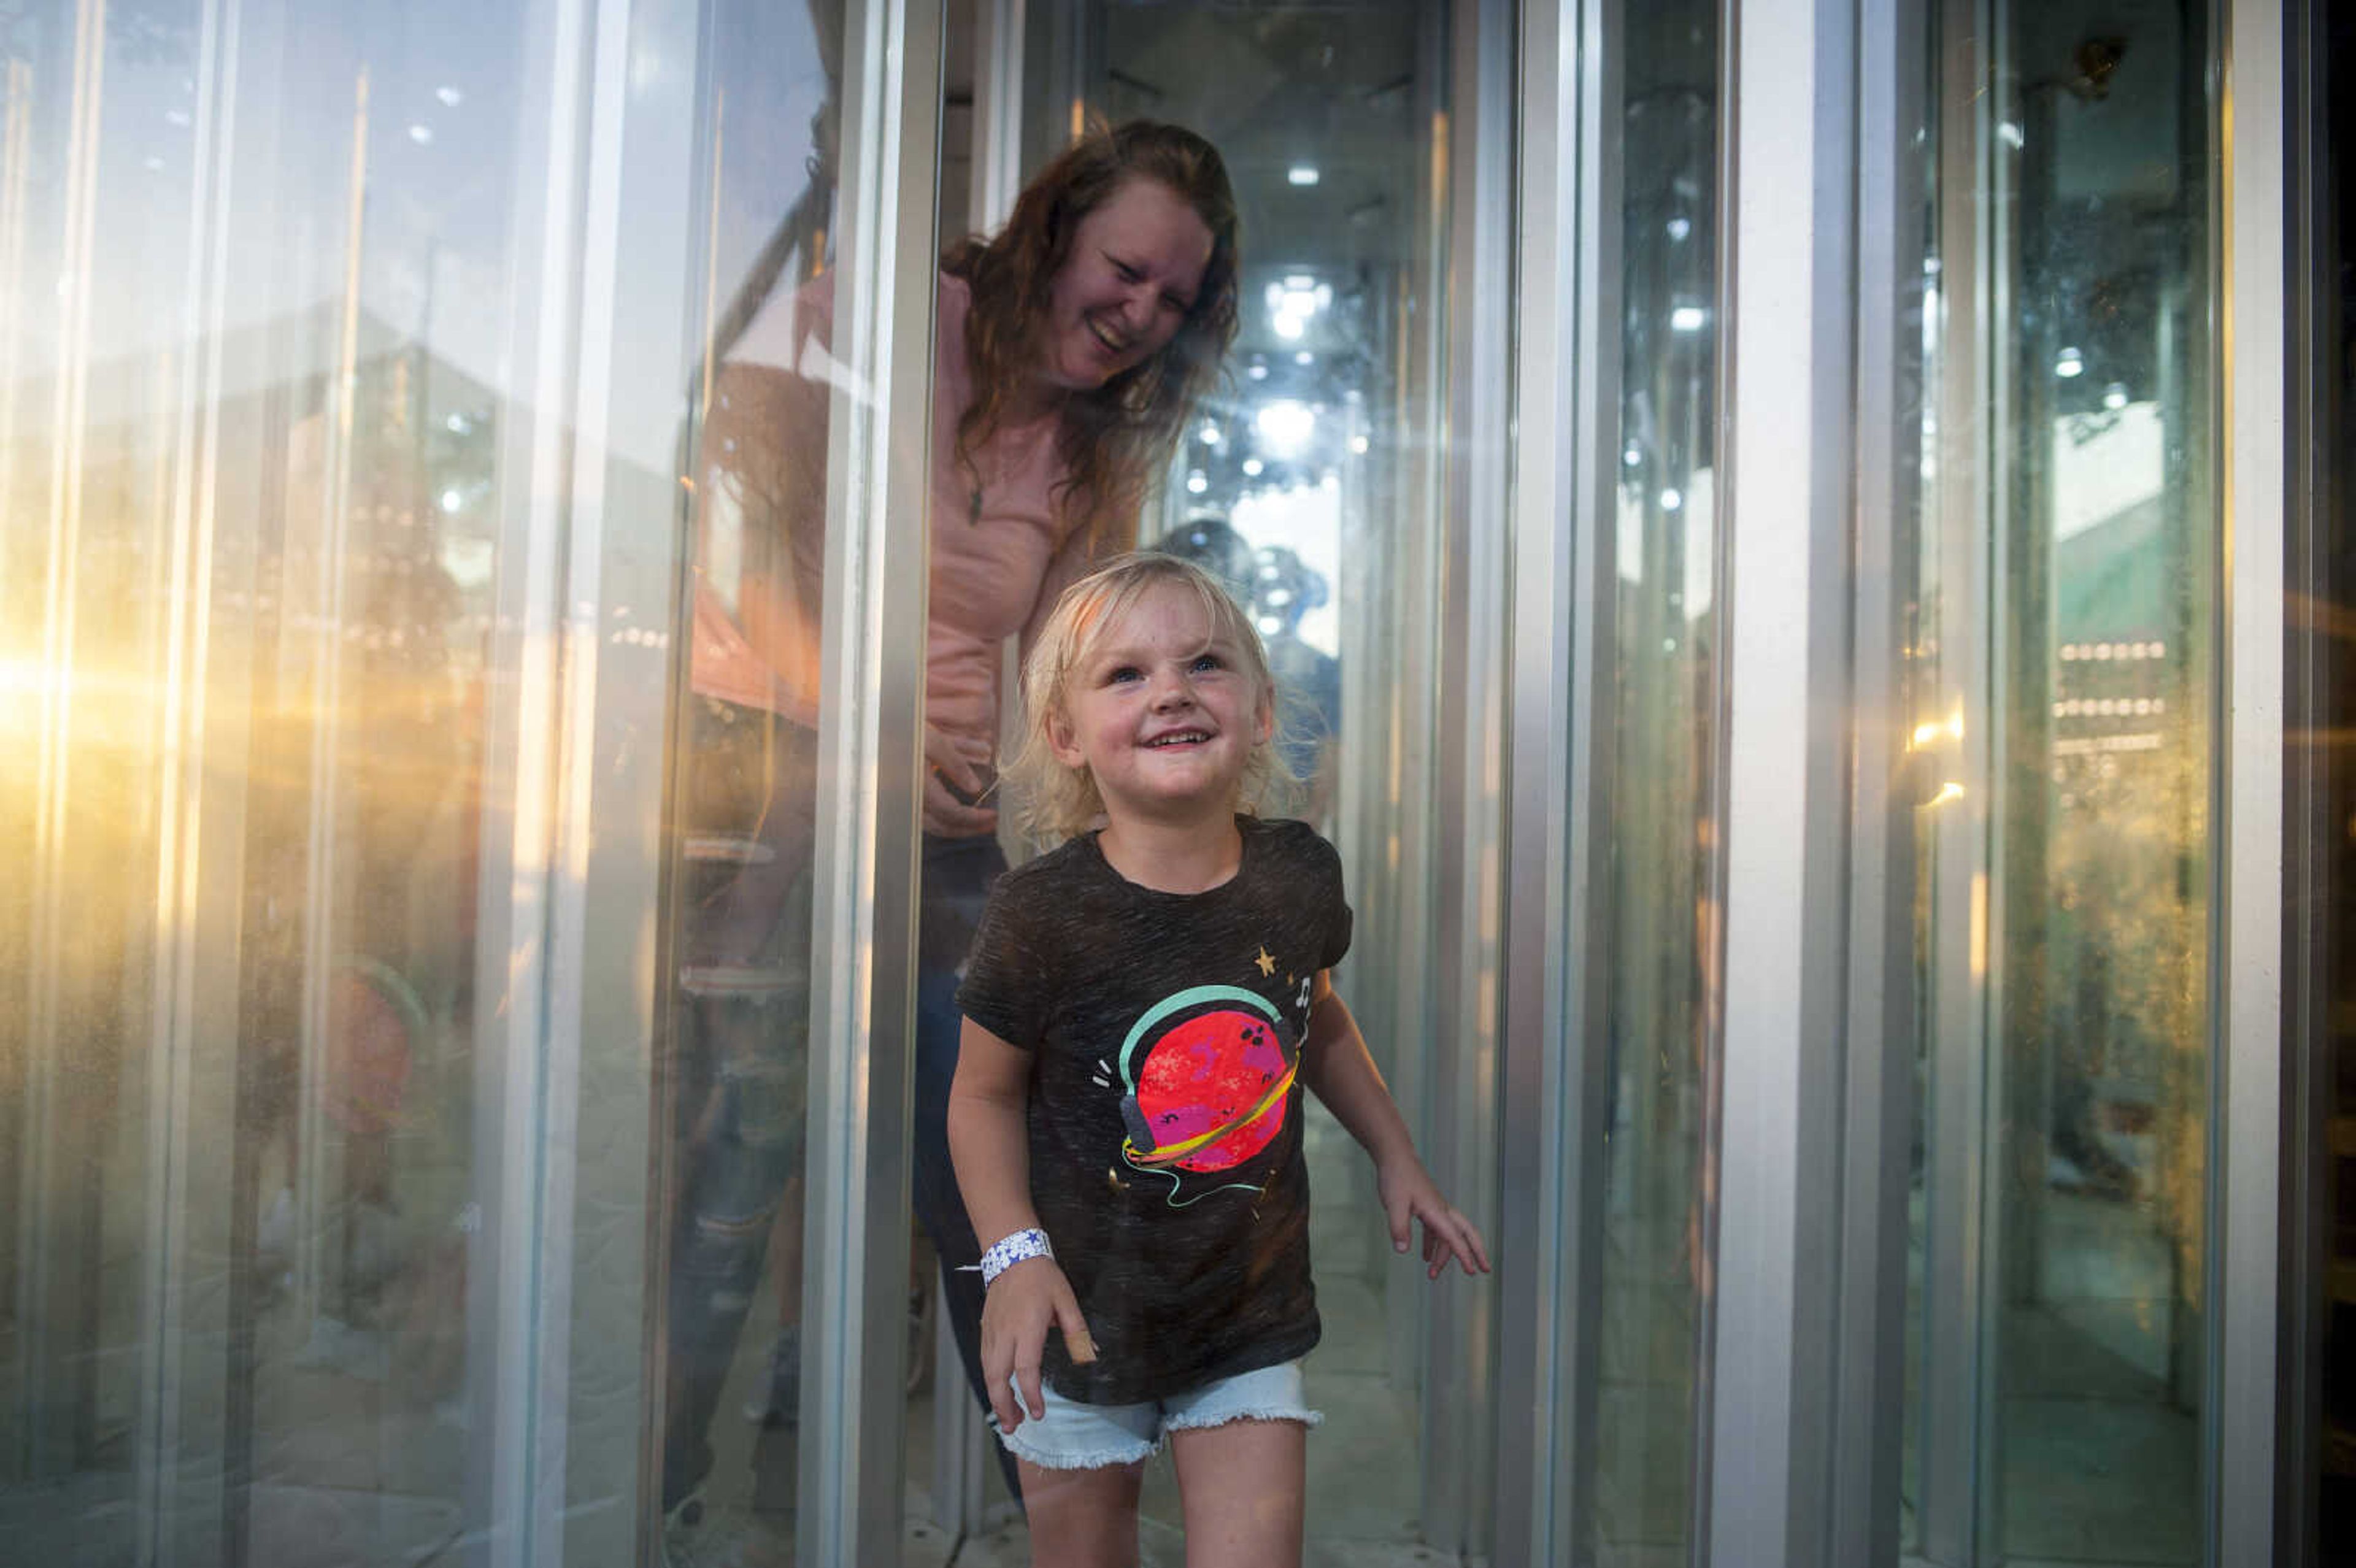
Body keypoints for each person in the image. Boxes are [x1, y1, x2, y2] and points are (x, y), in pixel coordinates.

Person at [663, 120, 1242, 1550]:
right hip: (793, 797)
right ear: (1055, 233)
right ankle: (654, 1499)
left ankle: (1060, 1532)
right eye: (1127, 270)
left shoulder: (1099, 441)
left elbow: (1067, 658)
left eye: (1177, 299)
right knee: (732, 1174)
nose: (1141, 315)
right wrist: (858, 728)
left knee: (1002, 1206)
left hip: (963, 844)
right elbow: (720, 527)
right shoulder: (886, 317)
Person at [946, 553, 1490, 1566]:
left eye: (1204, 663)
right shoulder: (1039, 913)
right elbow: (980, 1096)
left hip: (1248, 1314)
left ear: (1263, 708)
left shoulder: (1297, 872)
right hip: (1077, 1317)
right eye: (1125, 675)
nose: (1171, 693)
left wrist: (1396, 1155)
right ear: (1065, 736)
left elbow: (1314, 1018)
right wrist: (1014, 1262)